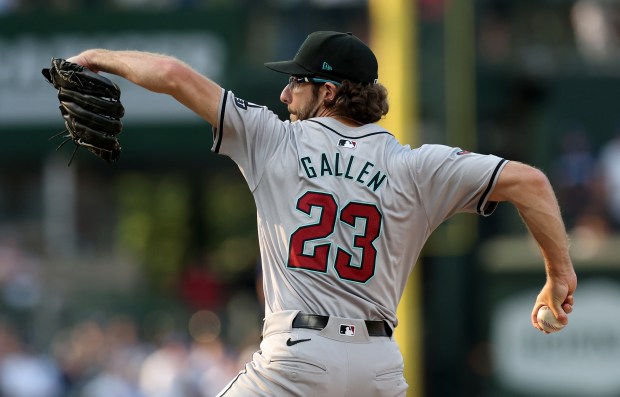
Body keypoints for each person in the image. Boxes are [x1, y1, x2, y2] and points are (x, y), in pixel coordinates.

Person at [65, 31, 577, 396]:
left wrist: (97, 56)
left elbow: (174, 75)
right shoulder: (417, 166)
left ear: (328, 91)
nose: (286, 93)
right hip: (377, 367)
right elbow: (530, 182)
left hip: (296, 359)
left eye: (298, 83)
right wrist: (558, 274)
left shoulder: (272, 139)